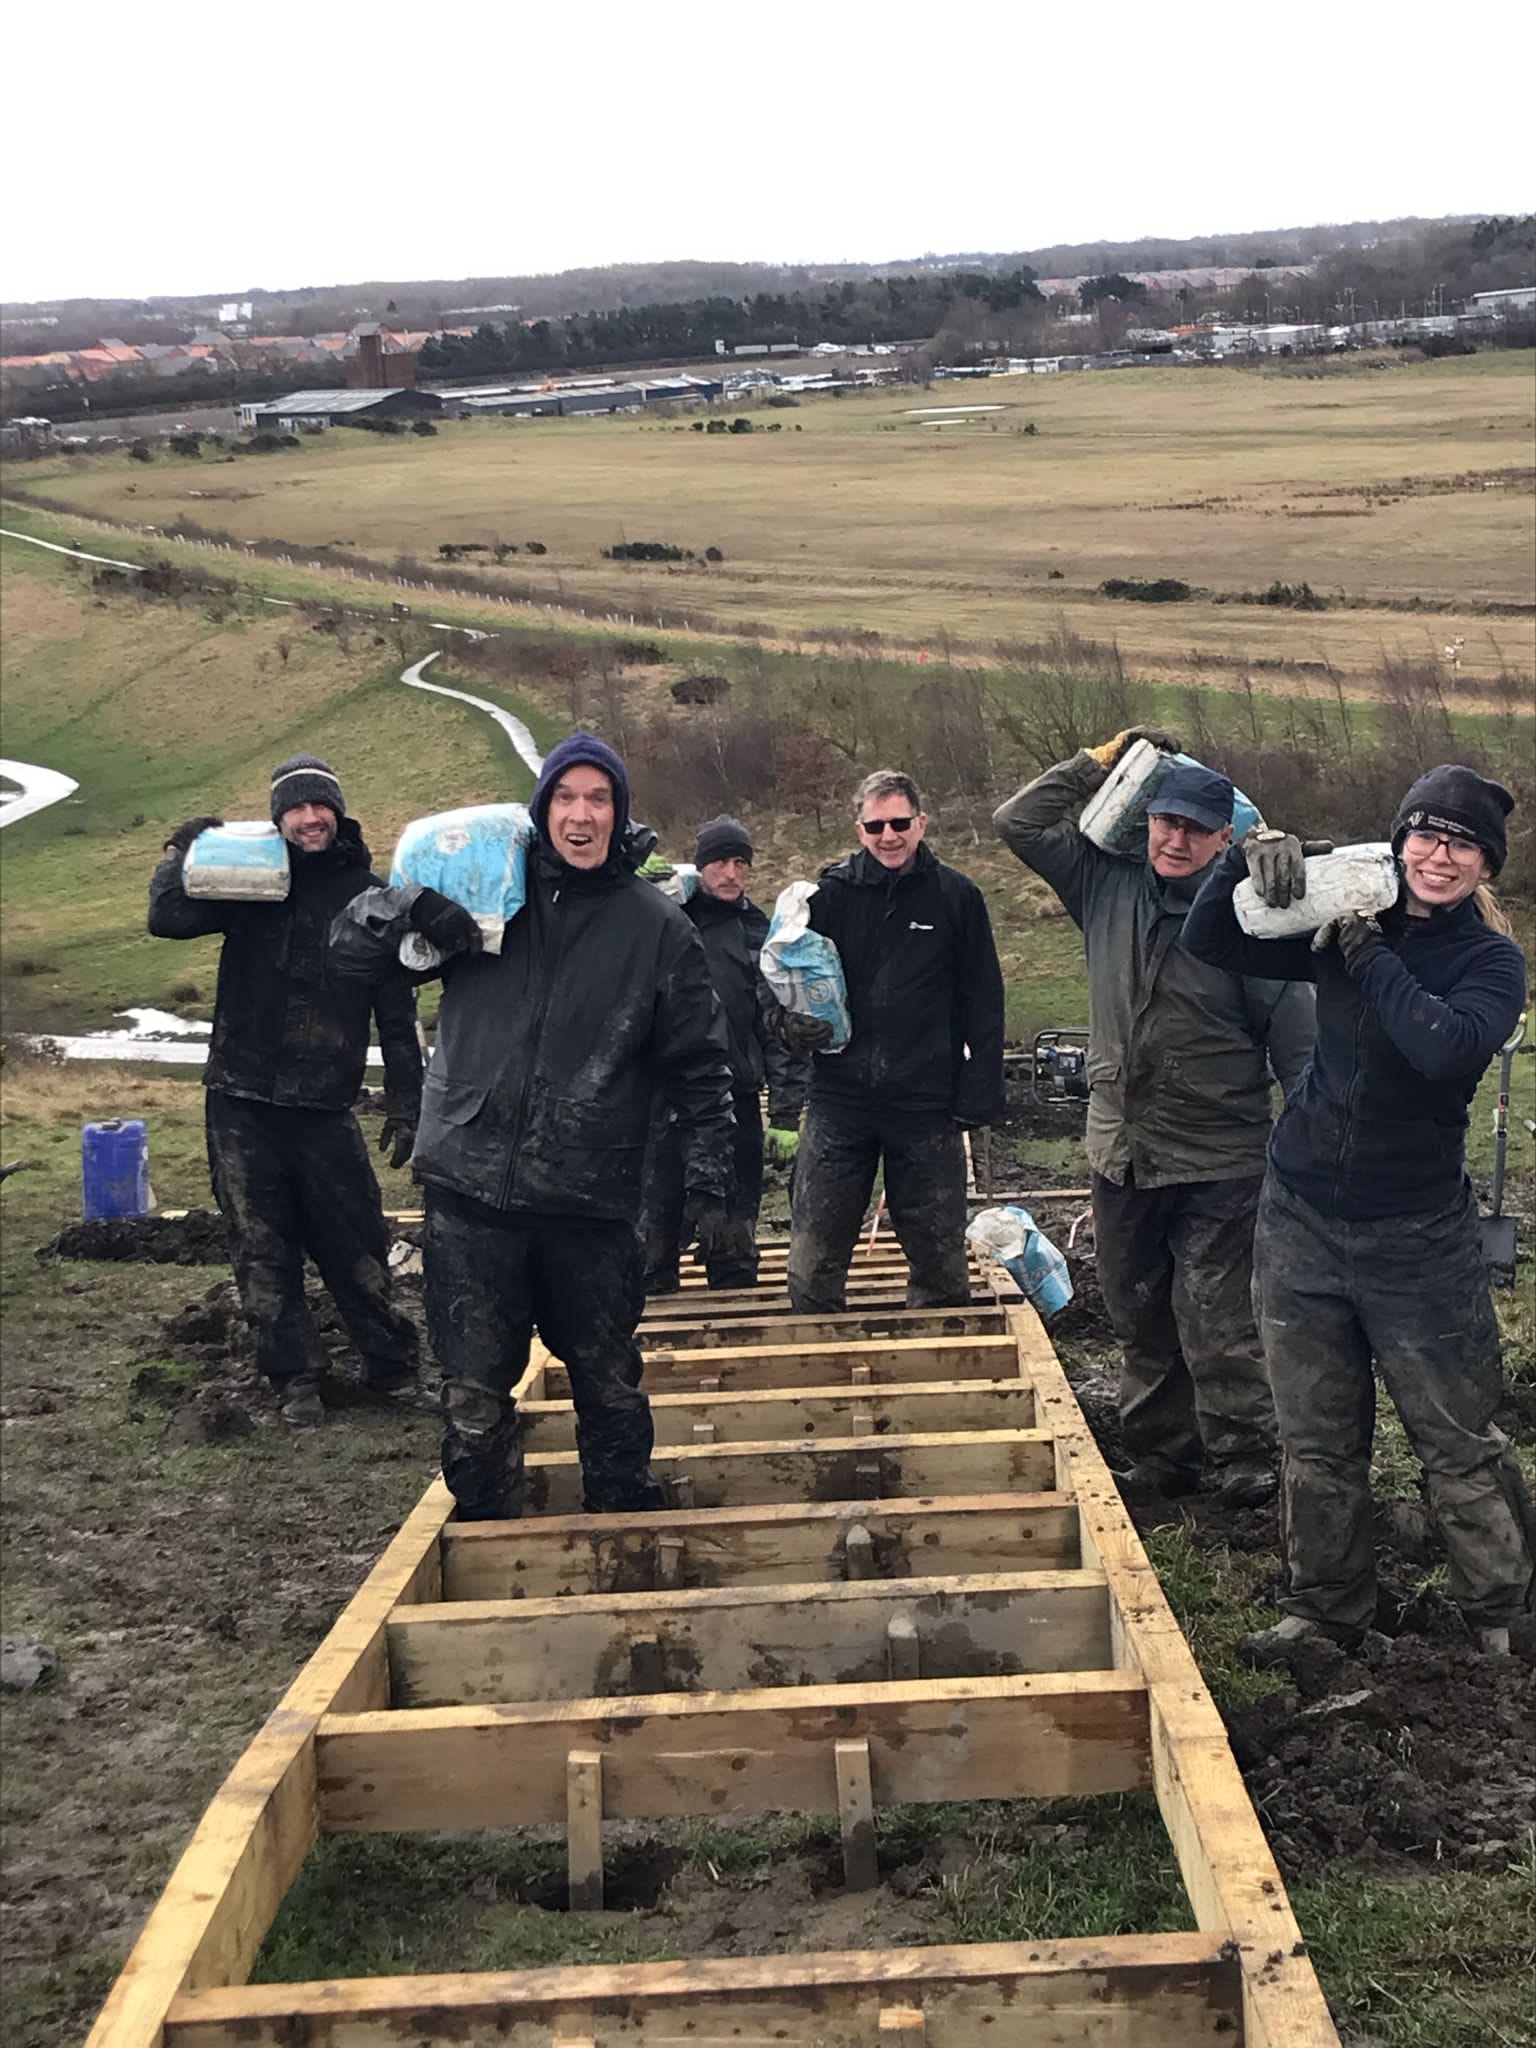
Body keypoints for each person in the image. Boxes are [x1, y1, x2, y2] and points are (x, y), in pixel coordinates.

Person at [331, 734, 735, 1519]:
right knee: (473, 1397)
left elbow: (700, 1067)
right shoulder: (485, 900)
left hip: (591, 1203)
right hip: (471, 1193)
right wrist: (407, 907)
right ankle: (488, 1534)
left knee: (609, 1386)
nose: (581, 816)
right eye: (566, 798)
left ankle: (623, 1529)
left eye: (599, 799)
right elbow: (347, 957)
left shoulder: (657, 929)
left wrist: (711, 1184)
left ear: (618, 814)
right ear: (543, 809)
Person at [1184, 763, 1532, 1659]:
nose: (1440, 856)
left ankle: (1502, 1614)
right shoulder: (1341, 912)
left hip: (1416, 1236)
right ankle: (1326, 1608)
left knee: (1454, 1437)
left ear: (1485, 866)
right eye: (1427, 835)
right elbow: (1212, 939)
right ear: (1400, 839)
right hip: (1300, 1219)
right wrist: (1240, 865)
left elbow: (1441, 1048)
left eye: (1463, 845)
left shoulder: (1490, 962)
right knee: (1316, 1436)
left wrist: (1367, 952)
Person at [994, 729, 1316, 1509]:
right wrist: (1099, 762)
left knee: (1216, 1316)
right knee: (1137, 1310)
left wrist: (1308, 1156)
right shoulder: (1104, 884)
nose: (1175, 840)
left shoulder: (1250, 916)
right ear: (1146, 820)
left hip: (1219, 1158)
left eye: (1196, 830)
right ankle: (1163, 1457)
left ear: (1223, 840)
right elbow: (1018, 822)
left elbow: (1300, 1052)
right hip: (1122, 1150)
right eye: (1166, 822)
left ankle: (1244, 1457)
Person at [147, 755, 423, 1427]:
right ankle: (296, 1379)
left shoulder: (367, 894)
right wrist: (182, 851)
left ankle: (390, 1366)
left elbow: (395, 1009)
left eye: (319, 805)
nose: (309, 818)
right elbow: (167, 917)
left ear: (338, 813)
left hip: (326, 1104)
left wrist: (408, 1100)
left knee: (356, 1240)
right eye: (295, 808)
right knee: (260, 1247)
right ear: (279, 820)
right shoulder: (248, 885)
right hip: (240, 1097)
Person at [783, 769, 1005, 1313]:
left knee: (939, 1257)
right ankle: (820, 1351)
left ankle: (941, 1351)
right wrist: (787, 1025)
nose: (889, 836)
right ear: (859, 829)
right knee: (813, 1253)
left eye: (900, 824)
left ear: (921, 824)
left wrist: (980, 1086)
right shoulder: (828, 896)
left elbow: (983, 997)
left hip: (926, 1101)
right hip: (840, 1098)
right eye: (876, 826)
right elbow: (783, 983)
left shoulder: (956, 897)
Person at [640, 815, 809, 1294]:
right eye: (719, 862)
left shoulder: (761, 933)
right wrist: (627, 876)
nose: (731, 873)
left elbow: (780, 1027)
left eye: (740, 863)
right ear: (700, 867)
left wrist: (785, 1115)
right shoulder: (665, 918)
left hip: (736, 1108)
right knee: (649, 1252)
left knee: (732, 1248)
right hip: (661, 1107)